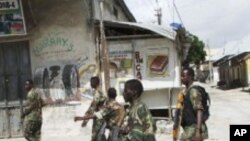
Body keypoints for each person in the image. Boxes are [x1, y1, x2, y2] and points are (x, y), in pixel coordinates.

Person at [180, 67, 209, 141]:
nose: (181, 78)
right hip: (189, 128)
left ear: (190, 77)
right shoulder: (187, 91)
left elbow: (199, 110)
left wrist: (198, 131)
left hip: (193, 129)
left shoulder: (193, 91)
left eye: (183, 76)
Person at [80, 76, 107, 141]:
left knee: (96, 136)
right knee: (101, 135)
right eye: (91, 82)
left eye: (92, 82)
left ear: (97, 83)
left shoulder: (97, 92)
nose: (91, 83)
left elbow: (92, 107)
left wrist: (85, 120)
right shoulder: (100, 91)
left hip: (99, 117)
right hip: (102, 115)